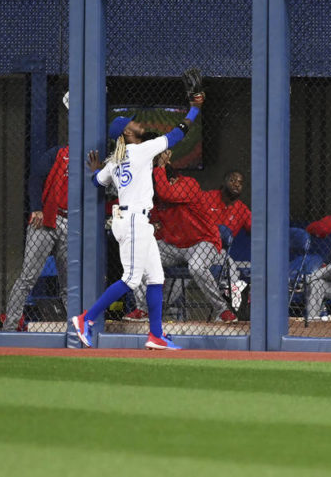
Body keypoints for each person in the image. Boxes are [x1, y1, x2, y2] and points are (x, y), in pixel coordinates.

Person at [72, 93, 205, 350]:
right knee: (132, 279)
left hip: (134, 220)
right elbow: (177, 134)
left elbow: (97, 182)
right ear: (127, 132)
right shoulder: (140, 151)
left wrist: (97, 170)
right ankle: (85, 318)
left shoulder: (115, 160)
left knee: (156, 277)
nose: (137, 123)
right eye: (131, 122)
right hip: (133, 219)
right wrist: (194, 109)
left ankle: (155, 335)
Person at [130, 147, 237, 323]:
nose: (155, 190)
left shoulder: (189, 184)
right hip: (174, 246)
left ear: (171, 179)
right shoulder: (156, 196)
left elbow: (167, 193)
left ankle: (222, 310)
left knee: (196, 266)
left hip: (203, 242)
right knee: (139, 256)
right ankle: (143, 309)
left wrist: (160, 167)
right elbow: (156, 221)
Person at [1, 144, 70, 331]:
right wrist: (37, 208)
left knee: (70, 284)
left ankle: (75, 327)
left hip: (71, 221)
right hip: (46, 218)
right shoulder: (58, 152)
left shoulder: (92, 158)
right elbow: (36, 178)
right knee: (27, 277)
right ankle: (10, 326)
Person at [201, 170, 252, 310]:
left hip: (220, 254)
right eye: (233, 180)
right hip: (198, 247)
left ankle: (230, 311)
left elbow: (256, 230)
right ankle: (167, 307)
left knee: (230, 269)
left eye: (240, 182)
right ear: (224, 183)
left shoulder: (242, 209)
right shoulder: (207, 197)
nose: (236, 184)